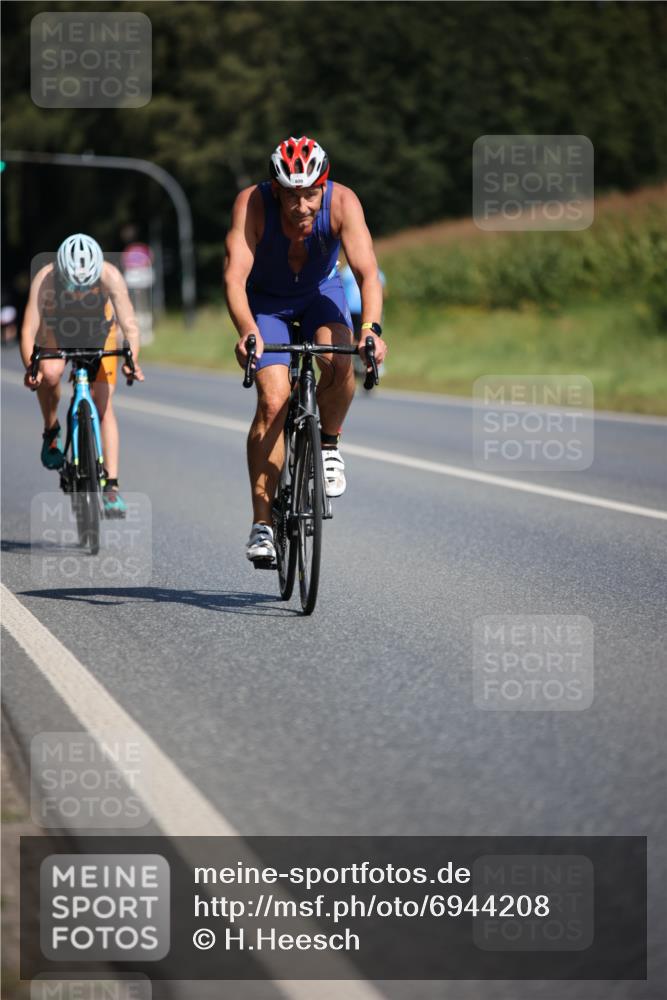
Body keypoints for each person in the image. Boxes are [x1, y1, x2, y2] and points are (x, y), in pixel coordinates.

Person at [224, 135, 388, 563]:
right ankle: (262, 525)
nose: (302, 207)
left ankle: (329, 446)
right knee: (274, 400)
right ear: (277, 190)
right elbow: (234, 277)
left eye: (311, 195)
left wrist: (370, 329)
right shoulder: (253, 204)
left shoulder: (343, 203)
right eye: (293, 196)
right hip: (266, 302)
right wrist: (246, 330)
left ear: (324, 187)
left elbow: (368, 274)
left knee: (340, 356)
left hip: (320, 293)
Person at [20, 233, 144, 516]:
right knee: (50, 372)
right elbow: (28, 330)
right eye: (71, 285)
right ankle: (51, 430)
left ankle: (110, 486)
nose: (77, 291)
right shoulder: (46, 277)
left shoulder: (109, 275)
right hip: (58, 327)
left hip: (99, 331)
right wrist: (31, 367)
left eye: (84, 285)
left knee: (103, 405)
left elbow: (131, 326)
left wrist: (132, 361)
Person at [339, 262, 387, 384]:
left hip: (351, 308)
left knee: (352, 339)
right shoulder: (376, 271)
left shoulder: (345, 271)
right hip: (367, 310)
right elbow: (383, 293)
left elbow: (340, 288)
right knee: (369, 340)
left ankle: (352, 366)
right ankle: (366, 367)